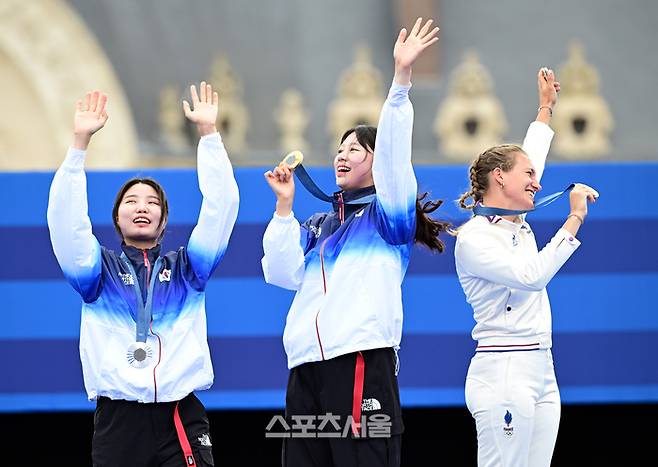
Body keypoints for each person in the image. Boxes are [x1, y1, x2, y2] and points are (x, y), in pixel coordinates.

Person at [261, 18, 448, 467]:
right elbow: (281, 274)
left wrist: (400, 82)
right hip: (305, 368)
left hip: (360, 361)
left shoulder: (389, 218)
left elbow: (395, 162)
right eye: (339, 149)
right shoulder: (320, 224)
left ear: (375, 160)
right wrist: (284, 208)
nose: (342, 155)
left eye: (355, 149)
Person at [47, 82, 239, 467]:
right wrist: (78, 146)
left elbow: (222, 209)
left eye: (152, 202)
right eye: (131, 201)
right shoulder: (97, 273)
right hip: (119, 423)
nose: (142, 207)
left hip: (180, 416)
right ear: (117, 218)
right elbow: (66, 224)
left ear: (164, 220)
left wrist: (208, 135)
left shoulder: (188, 270)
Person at [455, 68, 599, 467]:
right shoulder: (474, 238)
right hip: (504, 370)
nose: (537, 181)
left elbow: (530, 157)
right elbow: (531, 277)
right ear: (500, 178)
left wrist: (546, 108)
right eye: (529, 175)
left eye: (536, 174)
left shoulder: (516, 220)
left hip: (542, 367)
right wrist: (574, 221)